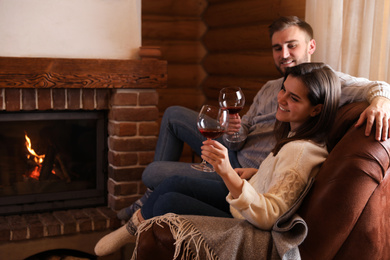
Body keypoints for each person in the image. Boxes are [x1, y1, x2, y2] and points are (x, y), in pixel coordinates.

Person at [117, 15, 390, 221]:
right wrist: (233, 130)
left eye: (292, 46)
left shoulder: (325, 83)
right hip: (237, 156)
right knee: (175, 113)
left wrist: (379, 102)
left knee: (153, 174)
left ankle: (147, 200)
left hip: (246, 176)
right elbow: (242, 133)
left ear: (311, 46)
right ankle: (149, 201)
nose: (284, 55)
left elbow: (380, 86)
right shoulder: (272, 87)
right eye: (277, 47)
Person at [95, 62, 341, 256]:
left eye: (294, 98)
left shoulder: (299, 151)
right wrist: (256, 173)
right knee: (173, 182)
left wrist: (226, 171)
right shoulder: (294, 134)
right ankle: (131, 228)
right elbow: (284, 184)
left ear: (317, 109)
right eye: (283, 89)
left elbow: (270, 215)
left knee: (166, 201)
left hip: (248, 223)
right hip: (244, 198)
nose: (282, 99)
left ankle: (134, 226)